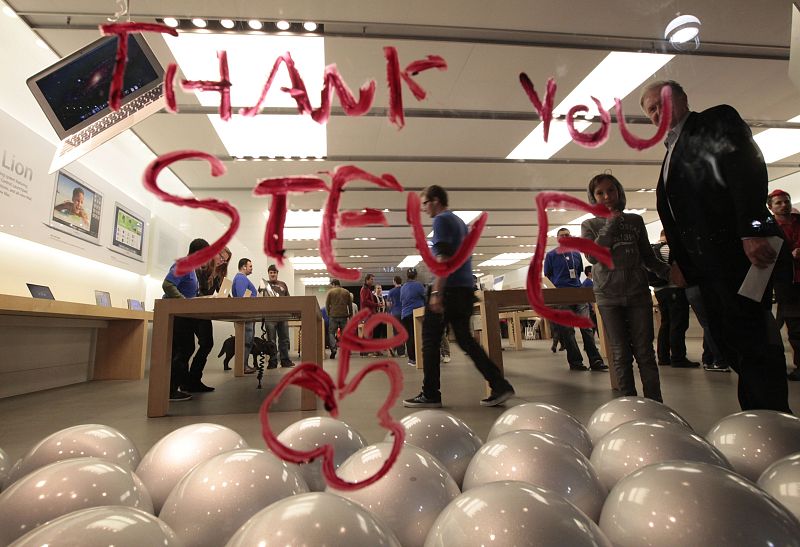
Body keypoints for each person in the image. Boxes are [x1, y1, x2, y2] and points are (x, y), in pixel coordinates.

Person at [640, 79, 790, 412]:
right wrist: (678, 262)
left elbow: (747, 171)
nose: (656, 112)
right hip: (703, 270)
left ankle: (773, 417)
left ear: (682, 98)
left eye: (661, 103)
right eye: (651, 110)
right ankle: (758, 412)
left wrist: (750, 230)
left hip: (737, 255)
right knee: (728, 339)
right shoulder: (670, 154)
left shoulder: (714, 121)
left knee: (753, 337)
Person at [404, 185, 515, 408]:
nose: (424, 209)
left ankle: (431, 394)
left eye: (425, 203)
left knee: (430, 340)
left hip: (449, 289)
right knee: (465, 340)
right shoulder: (459, 223)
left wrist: (436, 292)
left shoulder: (442, 220)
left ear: (435, 201)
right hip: (464, 289)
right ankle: (500, 384)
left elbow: (444, 258)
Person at [582, 173, 670, 401]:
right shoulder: (589, 225)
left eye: (611, 190)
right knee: (620, 354)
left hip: (638, 294)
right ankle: (629, 405)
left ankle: (655, 404)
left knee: (645, 353)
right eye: (599, 193)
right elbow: (593, 257)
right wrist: (610, 223)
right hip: (608, 297)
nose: (606, 196)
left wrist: (670, 273)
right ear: (593, 197)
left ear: (619, 192)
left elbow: (648, 258)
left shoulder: (635, 221)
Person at [543, 227, 607, 371]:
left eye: (567, 235)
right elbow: (547, 274)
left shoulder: (577, 254)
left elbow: (577, 273)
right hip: (561, 296)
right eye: (562, 235)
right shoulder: (551, 255)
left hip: (578, 293)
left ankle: (595, 361)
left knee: (587, 328)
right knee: (568, 331)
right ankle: (576, 362)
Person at [162, 238, 208, 402]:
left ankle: (177, 386)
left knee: (184, 349)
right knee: (184, 349)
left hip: (185, 314)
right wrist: (182, 301)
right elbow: (167, 284)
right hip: (178, 313)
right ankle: (171, 389)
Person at [650, 230, 699, 368]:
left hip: (659, 291)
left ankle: (663, 357)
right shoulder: (672, 247)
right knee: (678, 323)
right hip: (675, 289)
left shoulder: (654, 248)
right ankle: (678, 357)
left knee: (666, 323)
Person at [767, 189, 800, 381]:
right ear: (770, 207)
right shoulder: (770, 228)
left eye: (786, 201)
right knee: (795, 327)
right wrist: (790, 255)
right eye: (778, 203)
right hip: (786, 282)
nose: (783, 205)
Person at [188, 246, 231, 392]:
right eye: (221, 257)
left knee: (207, 344)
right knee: (189, 348)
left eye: (225, 260)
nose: (222, 262)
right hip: (193, 311)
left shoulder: (218, 275)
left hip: (203, 313)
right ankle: (189, 381)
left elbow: (222, 292)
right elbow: (197, 290)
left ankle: (193, 380)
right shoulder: (201, 269)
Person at [258, 264, 296, 368]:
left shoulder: (283, 284)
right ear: (268, 274)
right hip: (269, 316)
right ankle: (273, 361)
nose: (273, 274)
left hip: (283, 316)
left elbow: (288, 299)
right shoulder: (264, 284)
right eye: (271, 273)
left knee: (284, 339)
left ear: (277, 274)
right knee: (271, 340)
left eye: (274, 272)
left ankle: (285, 360)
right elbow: (259, 298)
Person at [232, 257, 257, 373]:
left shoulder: (242, 279)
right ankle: (243, 366)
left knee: (248, 340)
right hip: (245, 315)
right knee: (246, 340)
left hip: (248, 313)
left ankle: (244, 365)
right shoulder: (241, 278)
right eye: (250, 266)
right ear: (244, 267)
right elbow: (243, 297)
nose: (251, 268)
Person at [400, 267, 426, 366]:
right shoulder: (419, 285)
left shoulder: (403, 287)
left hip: (405, 314)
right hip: (416, 314)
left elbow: (402, 300)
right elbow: (425, 297)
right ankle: (419, 357)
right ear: (416, 275)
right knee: (418, 335)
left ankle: (412, 359)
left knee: (409, 336)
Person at [325, 279, 353, 359]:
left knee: (331, 333)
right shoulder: (346, 292)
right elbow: (350, 305)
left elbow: (327, 304)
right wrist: (350, 314)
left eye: (331, 285)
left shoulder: (330, 292)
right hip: (344, 315)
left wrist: (328, 314)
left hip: (333, 316)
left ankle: (333, 349)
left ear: (334, 284)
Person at [386, 276, 405, 356]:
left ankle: (399, 351)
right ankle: (399, 349)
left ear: (394, 282)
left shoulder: (391, 291)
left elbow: (388, 303)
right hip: (404, 313)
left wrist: (390, 310)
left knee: (397, 333)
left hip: (395, 313)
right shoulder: (404, 290)